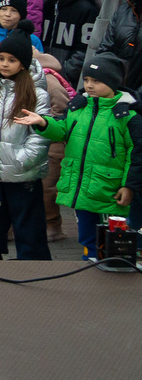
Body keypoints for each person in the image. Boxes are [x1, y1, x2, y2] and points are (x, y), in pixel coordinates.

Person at [0, 31, 67, 261]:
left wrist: (22, 159)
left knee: (28, 221)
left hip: (23, 171)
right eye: (1, 58)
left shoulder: (36, 93)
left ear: (23, 64)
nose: (5, 64)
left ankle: (32, 260)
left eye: (12, 60)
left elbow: (40, 135)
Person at [34, 55, 137, 260]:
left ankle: (112, 265)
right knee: (87, 235)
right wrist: (44, 123)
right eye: (87, 80)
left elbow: (136, 155)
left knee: (112, 237)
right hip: (83, 189)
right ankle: (88, 263)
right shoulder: (78, 107)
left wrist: (129, 186)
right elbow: (63, 130)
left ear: (113, 82)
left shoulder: (126, 115)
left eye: (96, 81)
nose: (89, 85)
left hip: (109, 190)